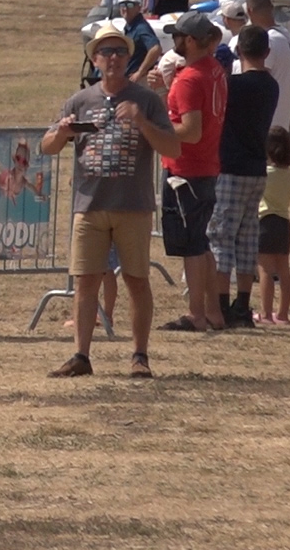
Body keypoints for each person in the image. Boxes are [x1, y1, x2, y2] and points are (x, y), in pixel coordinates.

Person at [40, 24, 178, 379]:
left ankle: (140, 355)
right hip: (89, 205)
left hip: (133, 205)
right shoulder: (80, 100)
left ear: (129, 57)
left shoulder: (146, 99)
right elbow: (48, 146)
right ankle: (81, 356)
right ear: (95, 59)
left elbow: (172, 148)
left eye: (119, 51)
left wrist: (142, 121)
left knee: (136, 280)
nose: (113, 58)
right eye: (106, 52)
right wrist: (62, 132)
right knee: (86, 281)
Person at [160, 12, 227, 333]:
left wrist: (156, 125)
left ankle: (196, 313)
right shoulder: (213, 70)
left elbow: (190, 130)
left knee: (191, 245)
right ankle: (213, 312)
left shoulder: (191, 78)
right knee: (201, 243)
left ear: (189, 40)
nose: (174, 42)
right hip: (206, 166)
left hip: (186, 169)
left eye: (178, 37)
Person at [209, 26, 277, 330]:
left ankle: (221, 304)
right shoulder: (270, 85)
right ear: (267, 52)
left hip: (231, 167)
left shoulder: (233, 85)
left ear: (238, 52)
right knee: (248, 239)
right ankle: (242, 304)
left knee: (222, 237)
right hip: (256, 168)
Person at [245, 0, 290, 136]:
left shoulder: (267, 40)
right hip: (281, 127)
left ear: (250, 11)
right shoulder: (286, 36)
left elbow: (257, 84)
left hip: (265, 126)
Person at [258, 127, 290, 325]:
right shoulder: (287, 174)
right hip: (283, 223)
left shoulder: (265, 174)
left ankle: (265, 313)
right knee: (283, 271)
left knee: (265, 270)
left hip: (266, 222)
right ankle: (283, 313)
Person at [115, 0, 160, 82]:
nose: (125, 8)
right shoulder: (130, 26)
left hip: (140, 81)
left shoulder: (141, 28)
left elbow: (156, 49)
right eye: (122, 5)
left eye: (130, 5)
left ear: (139, 8)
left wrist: (140, 72)